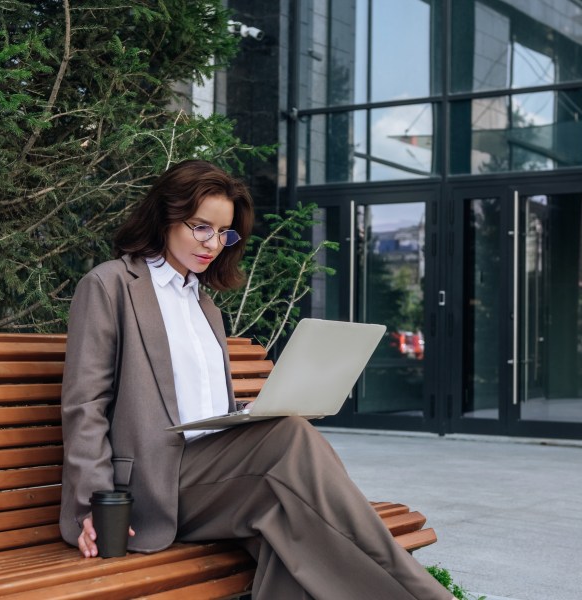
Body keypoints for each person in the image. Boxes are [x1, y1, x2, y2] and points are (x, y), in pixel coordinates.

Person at [59, 159, 453, 599]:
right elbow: (86, 404)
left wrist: (248, 416)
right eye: (201, 227)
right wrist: (90, 506)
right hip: (153, 484)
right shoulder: (111, 285)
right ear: (165, 215)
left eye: (224, 234)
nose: (213, 244)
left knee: (291, 534)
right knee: (290, 439)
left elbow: (204, 408)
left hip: (216, 473)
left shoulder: (204, 305)